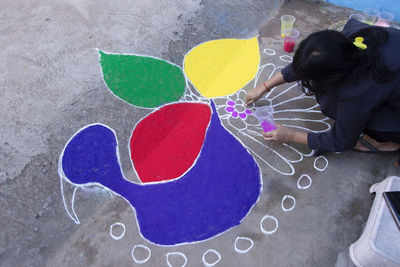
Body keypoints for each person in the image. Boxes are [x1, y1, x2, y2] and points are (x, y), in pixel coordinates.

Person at [245, 18, 400, 154]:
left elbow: (341, 141)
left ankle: (381, 143)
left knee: (333, 107)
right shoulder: (351, 39)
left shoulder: (358, 91)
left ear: (335, 75)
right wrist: (264, 86)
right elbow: (308, 63)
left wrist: (291, 135)